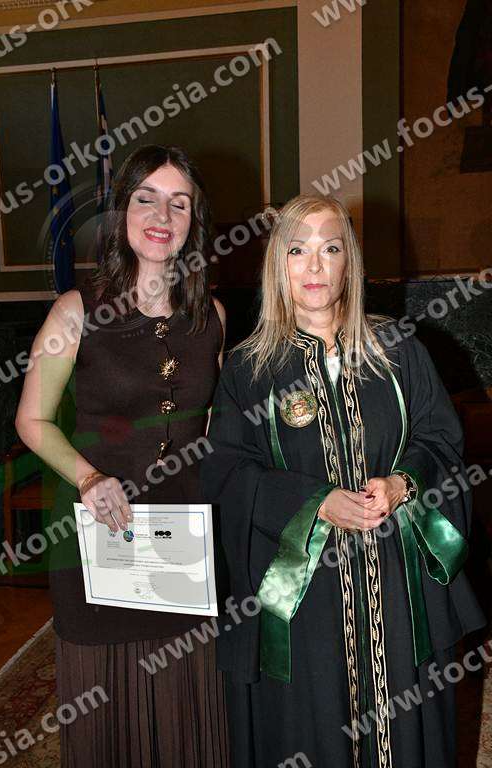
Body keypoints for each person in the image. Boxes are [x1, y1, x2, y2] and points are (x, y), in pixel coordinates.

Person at [200, 193, 485, 768]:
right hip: (302, 591)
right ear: (277, 264)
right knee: (316, 727)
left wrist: (403, 483)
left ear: (349, 263)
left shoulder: (398, 350)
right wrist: (315, 503)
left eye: (330, 249)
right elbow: (226, 472)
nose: (314, 265)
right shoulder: (248, 370)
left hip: (396, 578)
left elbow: (442, 440)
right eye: (297, 250)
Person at [16, 145, 229, 767]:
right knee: (105, 702)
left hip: (185, 536)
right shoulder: (75, 311)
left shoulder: (212, 315)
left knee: (188, 697)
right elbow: (31, 420)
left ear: (194, 221)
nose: (163, 215)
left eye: (179, 203)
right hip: (99, 530)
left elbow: (211, 421)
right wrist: (88, 479)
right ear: (122, 212)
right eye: (146, 199)